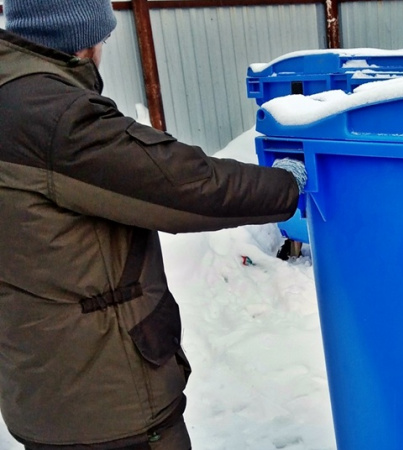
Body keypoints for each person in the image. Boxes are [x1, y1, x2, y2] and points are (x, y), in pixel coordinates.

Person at [0, 0, 307, 448]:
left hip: (41, 382)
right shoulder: (57, 116)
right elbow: (184, 184)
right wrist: (286, 184)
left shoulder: (10, 94)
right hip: (108, 400)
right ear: (82, 39)